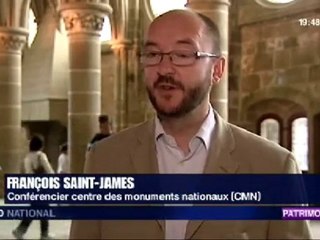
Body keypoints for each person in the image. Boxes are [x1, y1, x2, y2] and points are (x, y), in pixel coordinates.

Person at [70, 9, 312, 239]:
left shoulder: (274, 167)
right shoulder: (104, 159)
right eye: (153, 54)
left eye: (184, 55)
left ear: (217, 69)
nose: (164, 68)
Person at [13, 135, 54, 240]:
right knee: (44, 209)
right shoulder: (41, 155)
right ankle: (44, 234)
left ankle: (20, 230)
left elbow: (27, 173)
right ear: (41, 145)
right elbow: (49, 170)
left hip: (32, 186)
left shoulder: (27, 158)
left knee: (34, 208)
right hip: (43, 187)